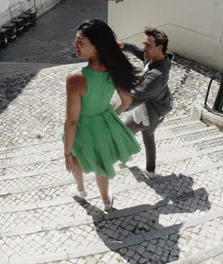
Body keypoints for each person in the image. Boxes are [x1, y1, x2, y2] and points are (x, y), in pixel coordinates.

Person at [63, 19, 141, 211]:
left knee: (75, 157)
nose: (75, 44)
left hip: (82, 127)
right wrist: (110, 117)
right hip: (104, 122)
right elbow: (127, 101)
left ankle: (80, 190)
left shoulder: (76, 78)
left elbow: (72, 121)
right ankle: (106, 201)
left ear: (96, 46)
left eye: (80, 41)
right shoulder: (114, 67)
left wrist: (66, 153)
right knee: (102, 164)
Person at [118, 27, 173, 176]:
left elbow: (130, 100)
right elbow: (136, 49)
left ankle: (125, 155)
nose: (144, 48)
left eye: (147, 45)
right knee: (148, 137)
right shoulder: (154, 57)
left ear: (160, 47)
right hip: (158, 108)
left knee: (124, 131)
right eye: (144, 44)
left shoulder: (157, 75)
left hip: (150, 114)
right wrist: (122, 45)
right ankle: (150, 170)